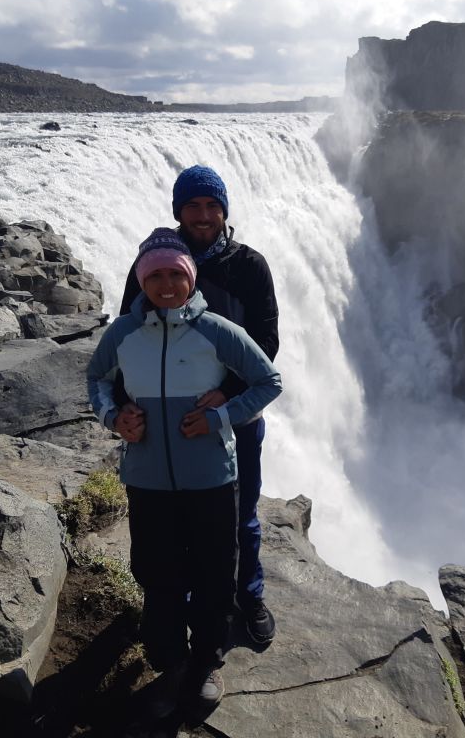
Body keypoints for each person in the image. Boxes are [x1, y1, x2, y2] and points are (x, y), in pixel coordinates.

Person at [87, 227, 282, 710]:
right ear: (142, 280)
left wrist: (221, 415)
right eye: (156, 275)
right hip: (148, 479)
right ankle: (168, 655)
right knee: (157, 569)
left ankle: (206, 662)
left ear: (191, 278)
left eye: (177, 273)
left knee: (215, 572)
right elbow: (96, 379)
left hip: (211, 478)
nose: (167, 284)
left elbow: (268, 381)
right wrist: (114, 416)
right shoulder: (123, 334)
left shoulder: (216, 330)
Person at [114, 165, 281, 645]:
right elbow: (129, 336)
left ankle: (247, 597)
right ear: (178, 211)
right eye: (193, 206)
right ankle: (186, 605)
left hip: (237, 414)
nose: (203, 215)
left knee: (241, 512)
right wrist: (124, 405)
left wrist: (227, 392)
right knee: (183, 520)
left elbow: (265, 340)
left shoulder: (248, 265)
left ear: (225, 210)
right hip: (170, 419)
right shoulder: (158, 262)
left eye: (212, 206)